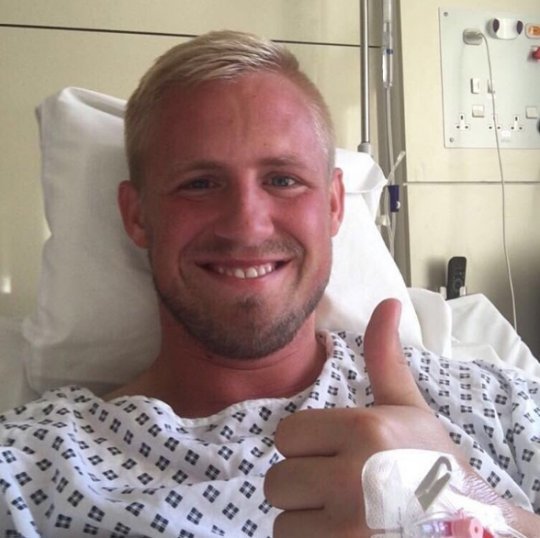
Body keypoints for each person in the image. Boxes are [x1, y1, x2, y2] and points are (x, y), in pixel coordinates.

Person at [0, 30, 538, 538]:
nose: (248, 225)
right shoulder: (31, 472)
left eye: (283, 179)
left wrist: (468, 509)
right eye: (199, 183)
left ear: (334, 205)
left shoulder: (496, 404)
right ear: (137, 216)